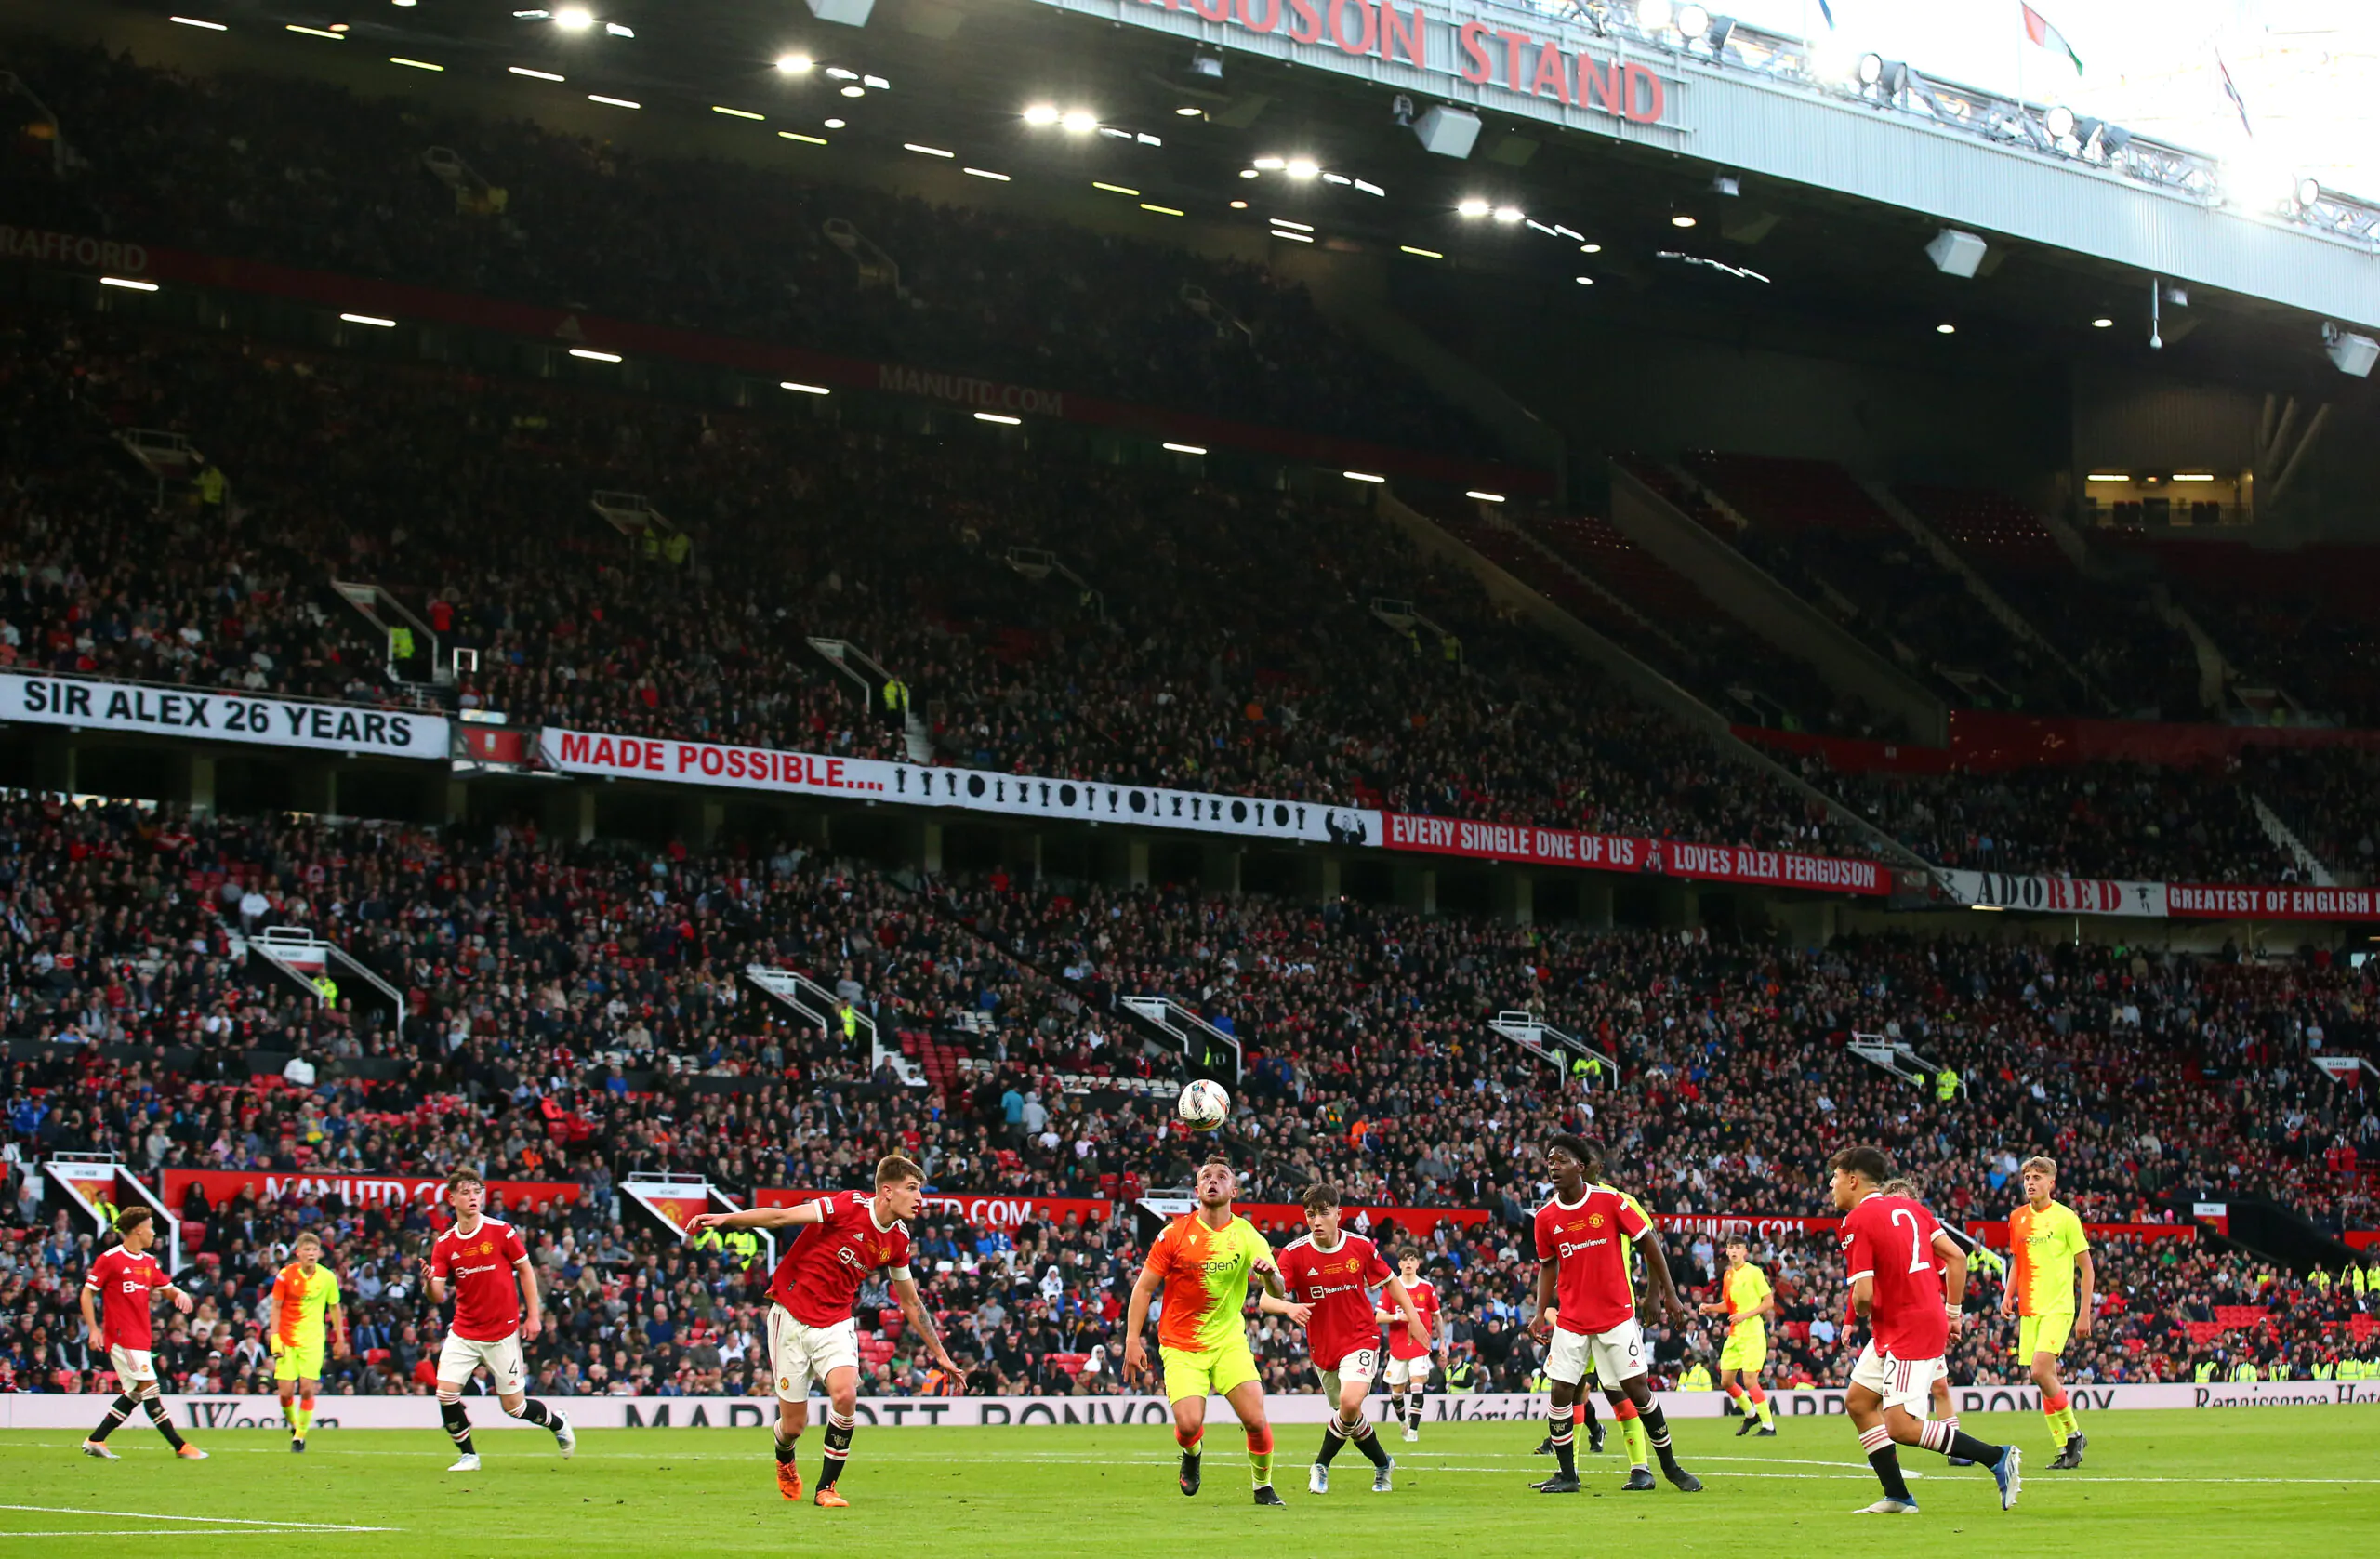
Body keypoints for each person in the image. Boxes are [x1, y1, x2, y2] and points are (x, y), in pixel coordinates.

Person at [684, 1154, 962, 1508]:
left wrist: (940, 1355)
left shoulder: (899, 1239)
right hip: (790, 1316)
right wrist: (727, 1218)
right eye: (912, 1189)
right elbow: (782, 1216)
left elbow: (910, 1302)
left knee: (845, 1395)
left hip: (835, 1322)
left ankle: (826, 1488)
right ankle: (784, 1458)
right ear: (887, 1191)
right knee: (794, 1427)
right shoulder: (847, 1206)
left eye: (920, 1190)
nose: (920, 1198)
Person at [1830, 1145, 2020, 1515]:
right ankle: (1898, 1496)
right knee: (1858, 1402)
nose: (1832, 1187)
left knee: (1899, 1425)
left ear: (1853, 1180)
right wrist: (1953, 1313)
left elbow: (1864, 1294)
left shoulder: (1856, 1221)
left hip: (1906, 1328)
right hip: (1912, 1321)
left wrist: (1860, 1309)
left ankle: (1996, 1456)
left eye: (1835, 1179)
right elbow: (1958, 1257)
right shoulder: (1913, 1209)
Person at [1527, 1135, 1699, 1495]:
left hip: (1616, 1315)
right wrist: (1540, 1311)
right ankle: (1567, 1476)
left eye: (1561, 1160)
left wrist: (1667, 1293)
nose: (1553, 1166)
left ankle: (1667, 1467)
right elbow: (1547, 1266)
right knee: (1561, 1392)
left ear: (1582, 1165)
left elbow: (1649, 1241)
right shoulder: (1545, 1217)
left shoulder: (1611, 1201)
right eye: (1549, 1161)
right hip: (1572, 1320)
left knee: (1635, 1390)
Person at [1123, 1156, 1290, 1505]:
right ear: (1198, 1189)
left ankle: (1263, 1487)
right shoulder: (1174, 1233)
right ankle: (1193, 1452)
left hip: (1229, 1342)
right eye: (1206, 1177)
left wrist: (1269, 1275)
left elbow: (1279, 1290)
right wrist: (1131, 1340)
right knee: (1187, 1425)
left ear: (1234, 1189)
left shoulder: (1246, 1235)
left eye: (1222, 1176)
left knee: (1256, 1420)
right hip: (1182, 1345)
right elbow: (1143, 1288)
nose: (1213, 1181)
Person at [420, 1169, 575, 1472]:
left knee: (514, 1408)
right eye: (465, 1192)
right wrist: (428, 1283)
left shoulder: (501, 1231)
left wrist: (533, 1315)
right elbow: (436, 1296)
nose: (473, 1197)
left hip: (501, 1333)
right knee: (446, 1392)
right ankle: (469, 1455)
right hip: (464, 1331)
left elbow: (527, 1271)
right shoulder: (446, 1243)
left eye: (477, 1191)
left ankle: (557, 1422)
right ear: (452, 1199)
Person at [1276, 1183, 1426, 1494]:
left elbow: (1392, 1283)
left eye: (1323, 1213)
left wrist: (1414, 1319)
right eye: (1310, 1214)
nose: (1316, 1220)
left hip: (1361, 1336)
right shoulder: (1293, 1253)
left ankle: (1320, 1464)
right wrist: (1286, 1304)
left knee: (1349, 1401)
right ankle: (1383, 1463)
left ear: (1338, 1214)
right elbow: (1269, 1298)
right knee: (1349, 1414)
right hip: (1323, 1347)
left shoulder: (1359, 1247)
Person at [79, 1207, 206, 1460]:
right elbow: (87, 1292)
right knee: (150, 1388)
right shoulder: (110, 1259)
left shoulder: (148, 1262)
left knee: (136, 1393)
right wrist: (93, 1328)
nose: (153, 1232)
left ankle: (96, 1440)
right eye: (150, 1226)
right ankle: (180, 1446)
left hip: (141, 1336)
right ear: (138, 1229)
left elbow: (166, 1287)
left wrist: (179, 1293)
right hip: (121, 1335)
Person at [2003, 1155, 2094, 1468]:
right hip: (2030, 1308)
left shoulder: (2066, 1218)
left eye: (2037, 1177)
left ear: (2051, 1182)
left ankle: (2074, 1436)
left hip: (2058, 1307)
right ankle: (2066, 1445)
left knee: (2040, 1370)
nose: (2030, 1182)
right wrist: (2008, 1294)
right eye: (2027, 1177)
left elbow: (2087, 1267)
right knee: (2043, 1378)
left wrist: (2085, 1314)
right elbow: (2018, 1260)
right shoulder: (2017, 1218)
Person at [267, 1231, 348, 1452]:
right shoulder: (285, 1275)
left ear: (319, 1253)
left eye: (314, 1250)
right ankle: (294, 1425)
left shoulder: (327, 1277)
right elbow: (275, 1307)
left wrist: (339, 1338)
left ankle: (299, 1437)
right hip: (287, 1338)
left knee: (306, 1389)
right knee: (284, 1392)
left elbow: (335, 1308)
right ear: (298, 1253)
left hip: (313, 1340)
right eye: (307, 1250)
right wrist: (274, 1336)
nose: (311, 1254)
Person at [1698, 1235, 1778, 1437]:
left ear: (1745, 1252)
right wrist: (1710, 1308)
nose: (1733, 1251)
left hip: (1752, 1333)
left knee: (1750, 1380)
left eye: (1738, 1247)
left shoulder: (1754, 1272)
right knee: (1726, 1381)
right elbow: (1727, 1305)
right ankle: (1751, 1414)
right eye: (1730, 1247)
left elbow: (1769, 1302)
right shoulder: (1728, 1275)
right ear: (1726, 1250)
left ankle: (1769, 1426)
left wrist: (1745, 1315)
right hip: (1735, 1334)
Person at [1379, 1248, 1441, 1444]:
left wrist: (1444, 1343)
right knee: (1396, 1393)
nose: (1408, 1263)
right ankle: (1403, 1422)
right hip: (1398, 1347)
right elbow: (1378, 1317)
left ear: (1418, 1263)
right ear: (1399, 1264)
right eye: (1405, 1260)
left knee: (1416, 1384)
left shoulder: (1426, 1287)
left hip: (1420, 1344)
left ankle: (1413, 1431)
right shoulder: (1392, 1287)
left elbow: (1437, 1315)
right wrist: (1398, 1316)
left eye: (1412, 1259)